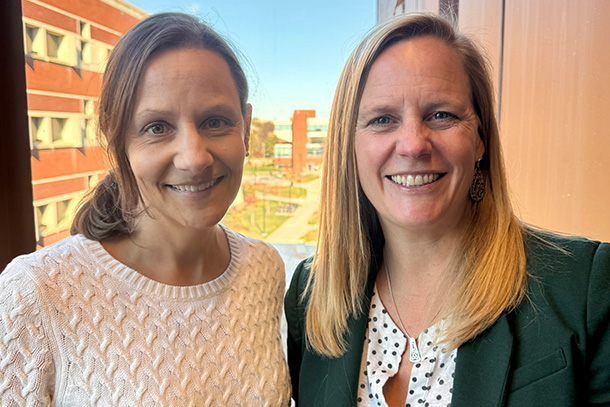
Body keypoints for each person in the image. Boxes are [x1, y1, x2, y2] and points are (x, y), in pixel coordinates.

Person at [285, 13, 610, 407]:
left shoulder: (584, 286)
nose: (413, 145)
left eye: (442, 115)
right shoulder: (311, 295)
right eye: (382, 119)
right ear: (348, 149)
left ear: (480, 139)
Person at [0, 12, 290, 406]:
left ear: (246, 128)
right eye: (157, 127)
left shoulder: (264, 270)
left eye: (215, 121)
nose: (194, 158)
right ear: (115, 140)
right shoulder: (37, 292)